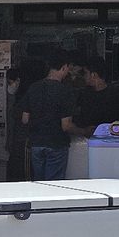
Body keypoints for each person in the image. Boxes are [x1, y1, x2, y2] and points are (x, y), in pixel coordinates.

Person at [19, 50, 89, 180]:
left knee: (39, 183)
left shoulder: (33, 87)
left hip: (36, 144)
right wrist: (83, 131)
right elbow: (66, 126)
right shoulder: (65, 91)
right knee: (54, 185)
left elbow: (25, 119)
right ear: (64, 67)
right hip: (56, 144)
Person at [75, 56, 119, 136]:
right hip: (88, 139)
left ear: (93, 75)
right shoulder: (83, 94)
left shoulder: (116, 94)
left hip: (111, 137)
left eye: (85, 73)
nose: (84, 76)